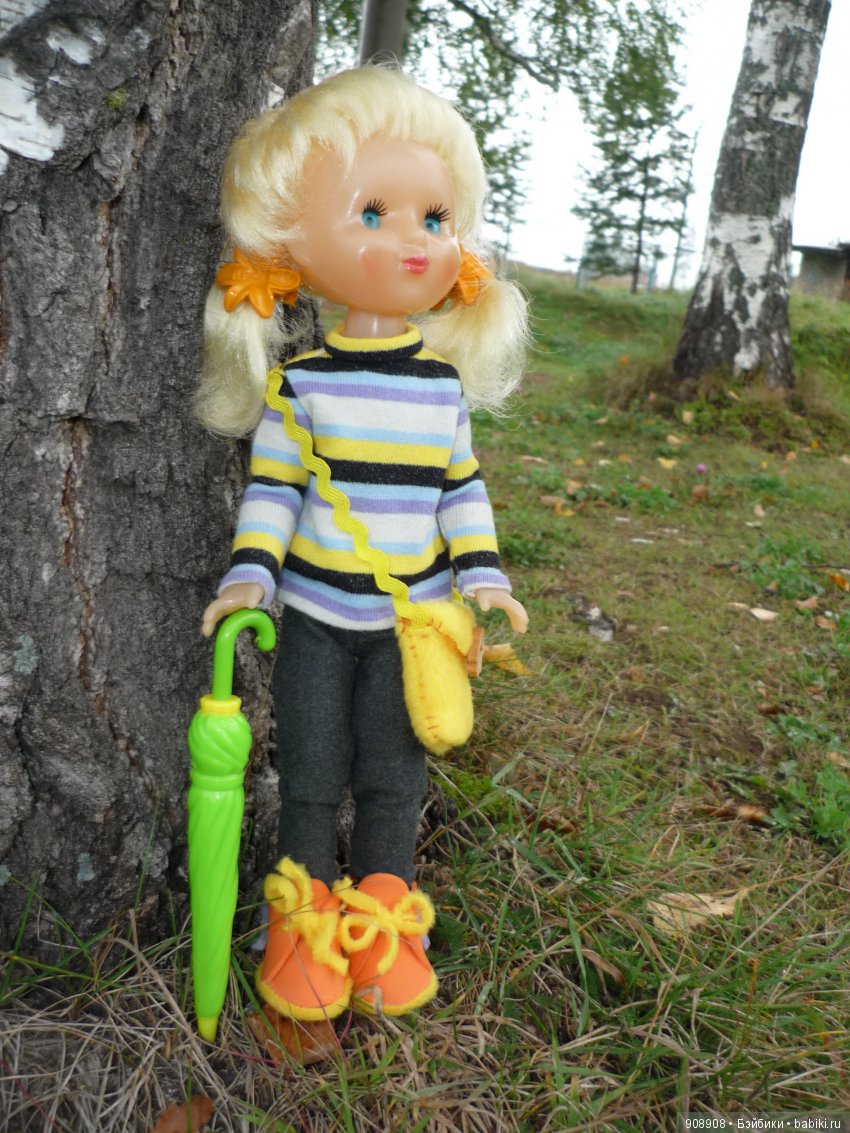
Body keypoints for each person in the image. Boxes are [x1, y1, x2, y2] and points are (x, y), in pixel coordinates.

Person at [197, 66, 529, 1027]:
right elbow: (274, 492)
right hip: (312, 616)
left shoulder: (442, 389)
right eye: (374, 213)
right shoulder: (300, 387)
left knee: (394, 772)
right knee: (308, 773)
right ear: (290, 241)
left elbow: (459, 489)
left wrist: (485, 575)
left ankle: (387, 921)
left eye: (435, 218)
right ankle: (301, 923)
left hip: (408, 623)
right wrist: (250, 575)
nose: (411, 239)